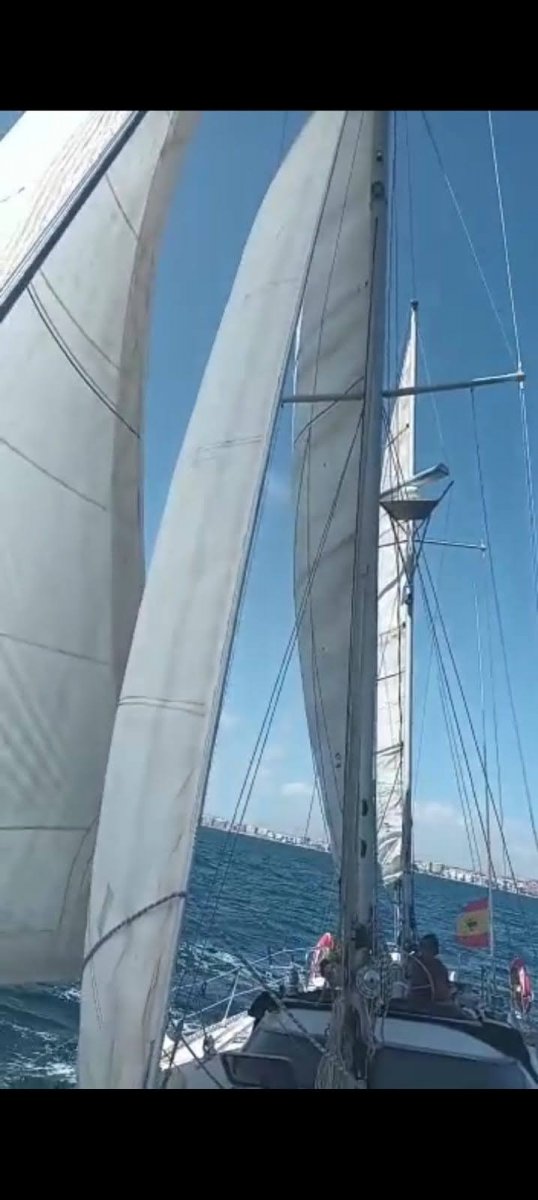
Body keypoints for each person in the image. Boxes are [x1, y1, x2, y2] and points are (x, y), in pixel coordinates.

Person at [408, 933, 453, 1009]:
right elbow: (442, 994)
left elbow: (441, 993)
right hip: (427, 1007)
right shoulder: (415, 963)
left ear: (434, 951)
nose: (422, 950)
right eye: (422, 947)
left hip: (419, 1006)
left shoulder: (439, 968)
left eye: (426, 948)